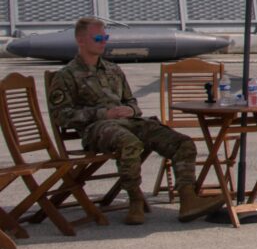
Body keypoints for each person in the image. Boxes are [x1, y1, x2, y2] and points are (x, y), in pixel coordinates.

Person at [47, 17, 225, 225]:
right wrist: (104, 114)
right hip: (97, 128)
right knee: (129, 143)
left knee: (181, 142)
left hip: (129, 122)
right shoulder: (67, 75)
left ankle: (187, 199)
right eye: (98, 38)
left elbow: (131, 101)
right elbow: (61, 115)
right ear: (81, 40)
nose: (103, 42)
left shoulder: (113, 70)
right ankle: (135, 200)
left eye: (105, 37)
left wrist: (130, 109)